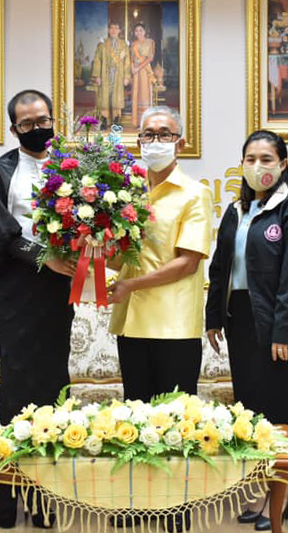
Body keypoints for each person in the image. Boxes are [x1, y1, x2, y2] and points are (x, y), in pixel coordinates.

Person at [206, 130, 288, 531]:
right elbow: (220, 268)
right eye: (251, 159)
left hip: (276, 324)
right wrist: (213, 317)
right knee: (250, 412)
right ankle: (255, 492)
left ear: (283, 164)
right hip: (239, 319)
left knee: (279, 413)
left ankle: (282, 498)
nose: (258, 167)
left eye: (267, 159)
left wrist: (285, 332)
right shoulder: (237, 211)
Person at [0, 89, 75, 529]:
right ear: (13, 129)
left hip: (59, 292)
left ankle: (44, 491)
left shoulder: (74, 167)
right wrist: (44, 255)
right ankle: (9, 484)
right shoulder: (0, 171)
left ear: (53, 118)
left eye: (43, 120)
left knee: (54, 383)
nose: (37, 129)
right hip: (18, 291)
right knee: (17, 387)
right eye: (26, 124)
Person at [109, 105, 213, 400]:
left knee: (176, 425)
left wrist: (131, 284)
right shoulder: (125, 193)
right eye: (148, 135)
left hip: (174, 326)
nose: (156, 142)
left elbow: (187, 263)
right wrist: (94, 252)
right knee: (136, 421)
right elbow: (125, 260)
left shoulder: (195, 193)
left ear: (180, 143)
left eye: (164, 134)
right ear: (138, 142)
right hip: (131, 323)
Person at [91, 22, 130, 130]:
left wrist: (126, 76)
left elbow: (127, 62)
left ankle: (116, 121)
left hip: (118, 75)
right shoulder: (102, 45)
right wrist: (97, 76)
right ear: (108, 30)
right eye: (111, 28)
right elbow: (97, 60)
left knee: (117, 97)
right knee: (104, 98)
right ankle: (104, 120)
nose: (113, 30)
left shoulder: (124, 45)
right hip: (105, 74)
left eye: (116, 28)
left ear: (119, 30)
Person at [130, 23, 155, 127]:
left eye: (141, 30)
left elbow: (150, 58)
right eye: (136, 30)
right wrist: (132, 68)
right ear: (135, 33)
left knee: (145, 95)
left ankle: (146, 122)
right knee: (136, 94)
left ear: (144, 31)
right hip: (135, 72)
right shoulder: (133, 44)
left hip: (144, 71)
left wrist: (138, 68)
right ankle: (137, 122)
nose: (138, 32)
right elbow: (131, 58)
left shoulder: (150, 42)